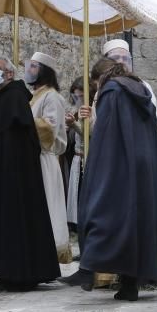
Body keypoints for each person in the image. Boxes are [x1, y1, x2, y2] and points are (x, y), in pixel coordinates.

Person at [73, 57, 157, 301]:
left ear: (100, 78)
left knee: (102, 212)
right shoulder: (142, 89)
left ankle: (89, 267)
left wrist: (97, 164)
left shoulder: (112, 91)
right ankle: (129, 284)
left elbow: (106, 133)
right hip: (144, 166)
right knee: (138, 223)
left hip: (120, 163)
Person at [0, 57, 60, 289]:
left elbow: (15, 141)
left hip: (13, 176)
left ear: (9, 74)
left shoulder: (14, 99)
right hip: (4, 173)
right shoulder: (6, 99)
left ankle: (19, 273)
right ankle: (9, 271)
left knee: (14, 221)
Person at [26, 51, 73, 263]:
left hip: (44, 158)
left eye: (34, 67)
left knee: (47, 204)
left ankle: (50, 252)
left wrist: (22, 119)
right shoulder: (34, 96)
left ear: (44, 71)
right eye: (30, 66)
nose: (29, 70)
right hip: (32, 158)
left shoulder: (52, 96)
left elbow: (50, 129)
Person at [64, 76, 86, 232]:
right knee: (76, 198)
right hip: (76, 160)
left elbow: (90, 134)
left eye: (80, 96)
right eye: (75, 96)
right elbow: (73, 139)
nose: (77, 99)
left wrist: (74, 125)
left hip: (87, 160)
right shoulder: (77, 111)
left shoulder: (91, 110)